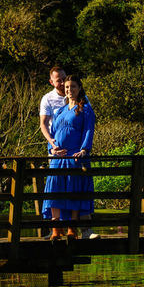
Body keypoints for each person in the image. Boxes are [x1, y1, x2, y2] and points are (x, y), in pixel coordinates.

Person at [41, 76, 96, 239]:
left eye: (72, 87)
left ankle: (72, 228)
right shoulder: (60, 111)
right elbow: (53, 132)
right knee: (54, 190)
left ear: (79, 88)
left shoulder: (85, 109)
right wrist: (53, 148)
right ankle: (56, 228)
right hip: (58, 157)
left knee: (73, 189)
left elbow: (88, 130)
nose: (69, 91)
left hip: (74, 156)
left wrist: (84, 149)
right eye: (66, 88)